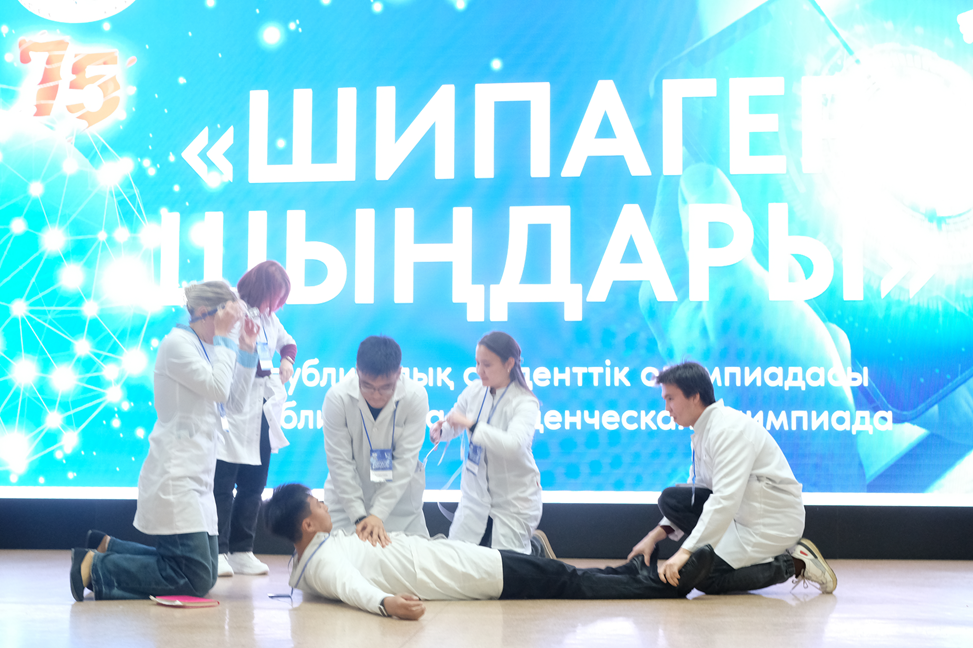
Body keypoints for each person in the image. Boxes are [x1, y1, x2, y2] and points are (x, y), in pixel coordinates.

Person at [264, 483, 716, 619]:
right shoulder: (323, 563)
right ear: (307, 524)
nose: (324, 504)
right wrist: (387, 604)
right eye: (317, 503)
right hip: (472, 574)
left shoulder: (317, 551)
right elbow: (352, 587)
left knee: (564, 574)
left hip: (461, 561)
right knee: (567, 581)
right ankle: (664, 587)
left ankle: (636, 572)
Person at [69, 281, 259, 601]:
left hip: (199, 475)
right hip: (176, 474)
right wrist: (227, 340)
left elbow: (236, 404)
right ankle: (94, 566)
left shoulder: (213, 347)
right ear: (204, 312)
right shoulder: (177, 344)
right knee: (195, 578)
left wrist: (248, 350)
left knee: (206, 571)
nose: (233, 325)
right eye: (228, 317)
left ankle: (108, 547)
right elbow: (218, 390)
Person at [627, 361, 837, 594]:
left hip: (769, 523)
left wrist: (684, 552)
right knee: (673, 500)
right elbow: (700, 493)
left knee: (705, 579)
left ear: (695, 396)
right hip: (741, 516)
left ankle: (795, 563)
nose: (667, 408)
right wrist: (653, 537)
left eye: (670, 399)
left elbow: (724, 499)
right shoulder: (703, 431)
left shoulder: (728, 430)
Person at [430, 331, 547, 555]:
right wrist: (441, 431)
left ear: (509, 363)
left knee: (505, 567)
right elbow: (455, 421)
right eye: (477, 363)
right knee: (457, 561)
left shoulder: (525, 402)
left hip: (512, 503)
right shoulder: (474, 390)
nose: (479, 370)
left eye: (487, 365)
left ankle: (535, 550)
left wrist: (471, 424)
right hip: (474, 500)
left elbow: (513, 446)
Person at [215, 260, 298, 577]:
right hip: (231, 407)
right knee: (223, 485)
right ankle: (218, 549)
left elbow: (288, 343)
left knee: (254, 484)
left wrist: (287, 360)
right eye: (275, 297)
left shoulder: (270, 319)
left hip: (260, 408)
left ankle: (242, 549)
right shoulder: (232, 312)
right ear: (261, 289)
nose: (277, 305)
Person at [321, 335, 429, 545]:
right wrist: (360, 517)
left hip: (400, 506)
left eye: (386, 387)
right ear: (357, 371)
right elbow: (340, 463)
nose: (376, 395)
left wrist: (378, 514)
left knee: (409, 559)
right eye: (367, 386)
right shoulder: (337, 398)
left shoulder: (415, 397)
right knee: (342, 556)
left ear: (399, 373)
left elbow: (405, 462)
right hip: (346, 505)